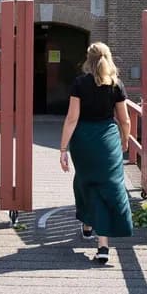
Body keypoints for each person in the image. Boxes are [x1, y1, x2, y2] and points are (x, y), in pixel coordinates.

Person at [59, 42, 133, 265]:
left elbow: (72, 119)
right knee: (107, 186)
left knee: (85, 181)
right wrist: (124, 140)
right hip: (107, 140)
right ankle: (103, 246)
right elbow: (125, 119)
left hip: (83, 141)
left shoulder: (80, 83)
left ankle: (88, 225)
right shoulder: (116, 85)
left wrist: (63, 149)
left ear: (87, 60)